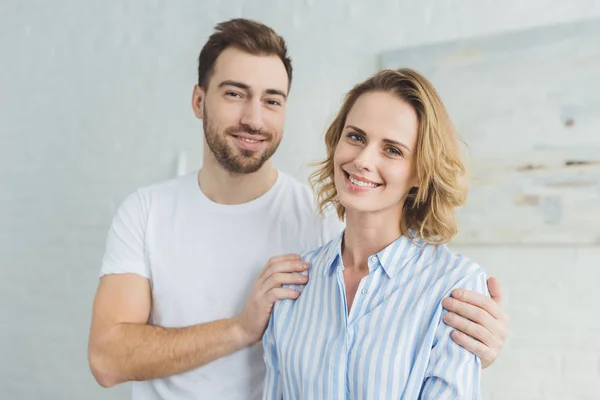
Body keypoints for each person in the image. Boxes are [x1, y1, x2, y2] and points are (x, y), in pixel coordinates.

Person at [88, 18, 508, 400]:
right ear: (199, 101)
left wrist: (470, 350)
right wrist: (240, 328)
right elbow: (107, 359)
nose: (253, 118)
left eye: (272, 100)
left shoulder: (324, 219)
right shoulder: (146, 212)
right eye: (235, 94)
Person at [263, 68, 492, 399]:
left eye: (392, 150)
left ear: (420, 172)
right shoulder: (293, 284)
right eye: (355, 137)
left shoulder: (455, 287)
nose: (362, 160)